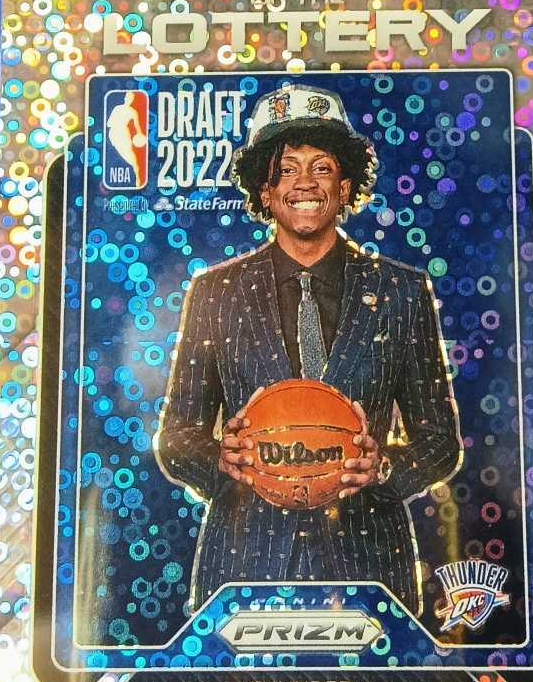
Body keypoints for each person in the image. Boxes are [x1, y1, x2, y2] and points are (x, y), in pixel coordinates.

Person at [154, 83, 462, 611]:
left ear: (345, 187)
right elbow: (176, 437)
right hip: (244, 560)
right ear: (265, 191)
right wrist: (222, 461)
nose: (304, 182)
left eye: (321, 167)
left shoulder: (401, 292)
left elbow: (440, 441)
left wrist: (383, 469)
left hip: (369, 563)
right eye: (286, 169)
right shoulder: (216, 292)